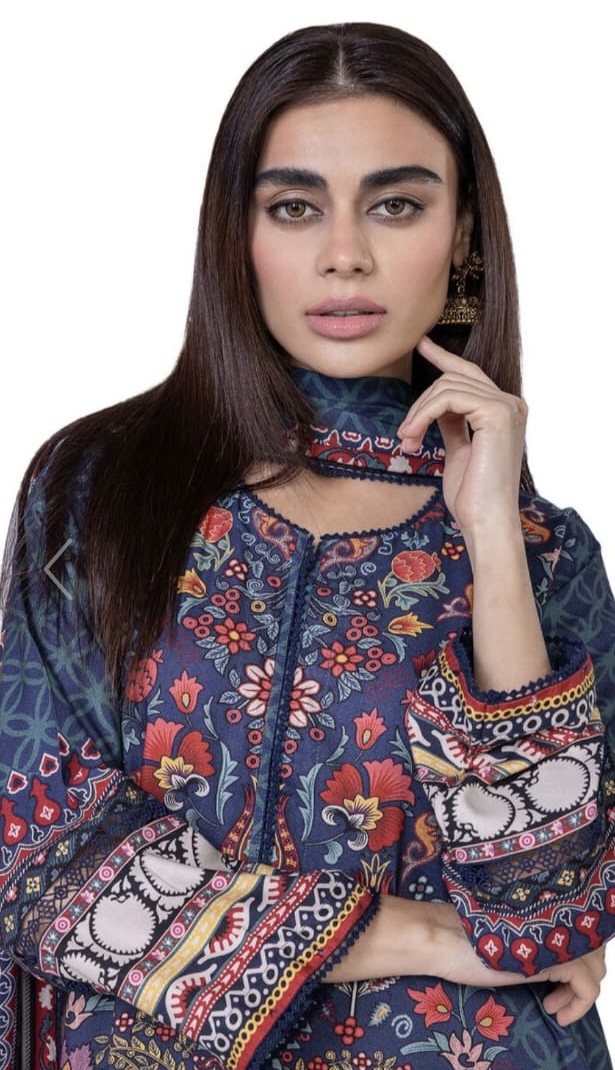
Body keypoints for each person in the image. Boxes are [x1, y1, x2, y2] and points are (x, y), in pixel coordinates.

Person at [0, 19, 614, 1070]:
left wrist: (491, 537)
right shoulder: (102, 489)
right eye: (294, 206)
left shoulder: (543, 552)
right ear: (236, 234)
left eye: (396, 204)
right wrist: (413, 934)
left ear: (463, 234)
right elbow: (36, 840)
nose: (344, 254)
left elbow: (542, 915)